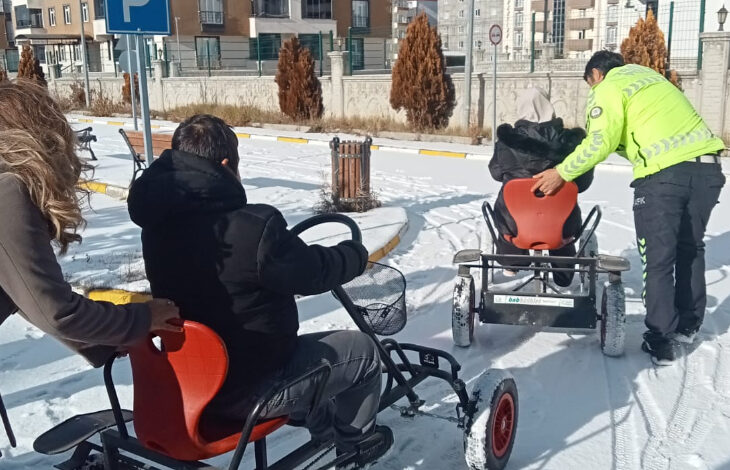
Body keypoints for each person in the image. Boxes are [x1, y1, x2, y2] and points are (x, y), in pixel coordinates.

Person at [127, 114, 391, 469]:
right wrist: (354, 255)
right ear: (225, 165)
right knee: (362, 352)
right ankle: (353, 446)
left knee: (308, 355)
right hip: (250, 390)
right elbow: (314, 272)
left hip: (190, 384)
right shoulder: (253, 228)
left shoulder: (156, 225)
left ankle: (323, 427)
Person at [532, 51, 726, 365]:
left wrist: (562, 172)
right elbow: (633, 136)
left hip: (664, 178)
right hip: (709, 171)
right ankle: (688, 326)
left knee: (658, 257)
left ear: (595, 74)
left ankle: (661, 340)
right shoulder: (652, 79)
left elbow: (601, 141)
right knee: (691, 249)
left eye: (589, 84)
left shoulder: (607, 88)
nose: (591, 90)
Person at [0, 80, 181, 370]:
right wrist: (141, 319)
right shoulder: (8, 191)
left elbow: (23, 293)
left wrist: (105, 340)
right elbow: (55, 312)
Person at [489, 87, 593, 287]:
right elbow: (583, 184)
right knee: (564, 216)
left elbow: (495, 173)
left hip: (515, 224)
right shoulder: (571, 143)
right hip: (561, 225)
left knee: (506, 211)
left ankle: (512, 260)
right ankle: (563, 270)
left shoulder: (506, 143)